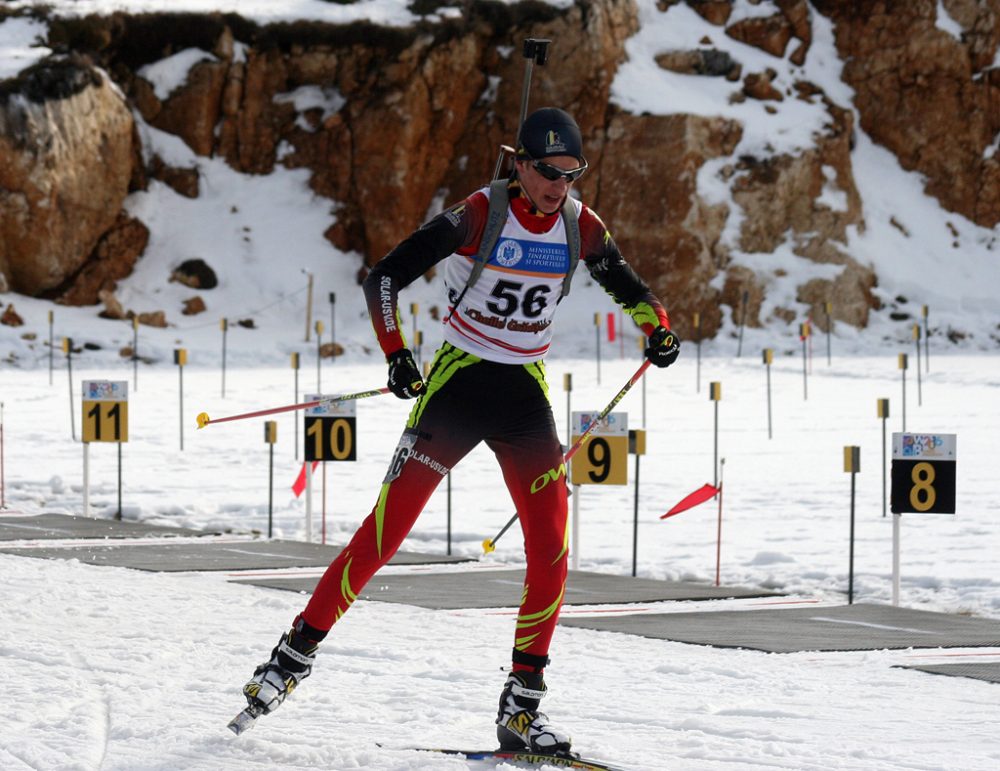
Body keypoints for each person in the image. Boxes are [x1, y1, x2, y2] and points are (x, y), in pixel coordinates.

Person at [242, 107, 680, 754]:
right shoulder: (480, 212)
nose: (559, 184)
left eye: (571, 172)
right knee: (383, 534)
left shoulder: (580, 225)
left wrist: (658, 328)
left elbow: (629, 287)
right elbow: (384, 275)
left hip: (524, 397)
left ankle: (522, 707)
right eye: (547, 171)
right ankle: (290, 657)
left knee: (551, 548)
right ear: (519, 165)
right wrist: (396, 353)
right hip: (458, 386)